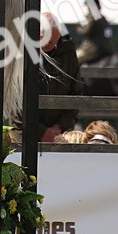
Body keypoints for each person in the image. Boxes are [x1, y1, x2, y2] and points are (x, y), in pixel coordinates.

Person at [38, 12, 83, 142]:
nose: (49, 44)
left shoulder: (67, 52)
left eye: (53, 41)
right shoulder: (21, 52)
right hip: (24, 132)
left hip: (60, 133)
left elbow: (76, 91)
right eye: (44, 38)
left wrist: (59, 127)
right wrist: (41, 131)